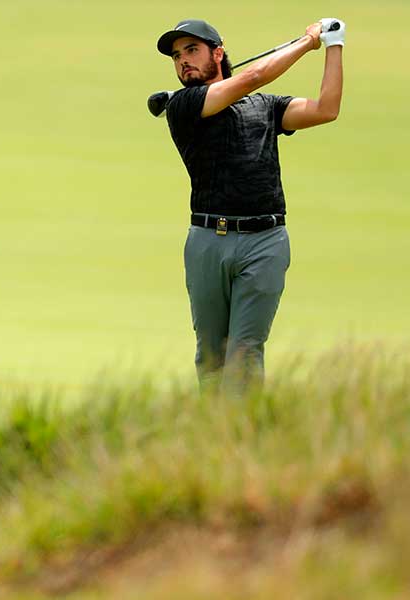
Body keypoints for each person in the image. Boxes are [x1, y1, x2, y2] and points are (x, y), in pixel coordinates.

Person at [156, 19, 345, 396]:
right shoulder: (184, 106)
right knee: (212, 357)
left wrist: (334, 45)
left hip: (265, 242)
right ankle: (212, 441)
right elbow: (253, 76)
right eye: (177, 56)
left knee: (245, 354)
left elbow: (326, 109)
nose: (183, 62)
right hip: (208, 241)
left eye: (192, 50)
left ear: (218, 53)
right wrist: (308, 42)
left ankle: (244, 439)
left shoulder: (266, 108)